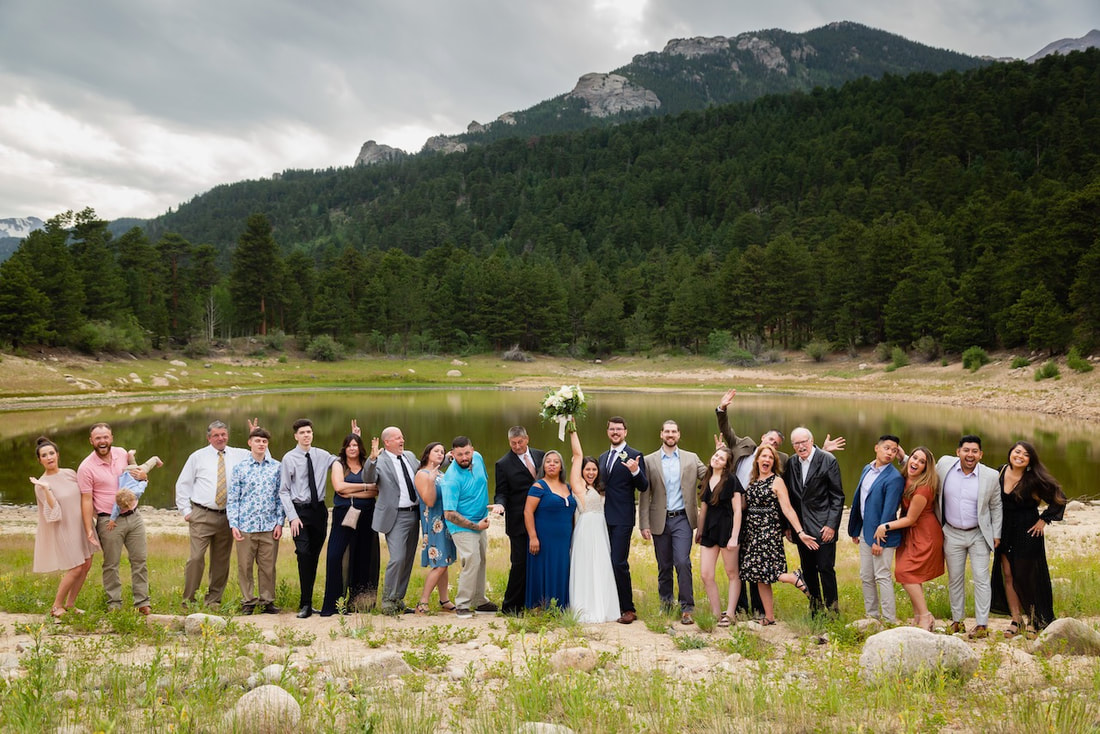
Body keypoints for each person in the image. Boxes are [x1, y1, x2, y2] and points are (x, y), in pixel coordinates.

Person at [715, 389, 844, 617]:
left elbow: (810, 476)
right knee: (746, 564)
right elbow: (726, 430)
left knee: (771, 567)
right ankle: (746, 608)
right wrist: (722, 408)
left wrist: (822, 451)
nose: (772, 445)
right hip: (737, 514)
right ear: (763, 437)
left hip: (770, 523)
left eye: (776, 444)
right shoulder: (743, 445)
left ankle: (767, 610)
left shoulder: (784, 461)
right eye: (770, 440)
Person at [175, 419, 257, 609]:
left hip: (228, 515)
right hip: (202, 514)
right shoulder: (197, 457)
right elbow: (182, 484)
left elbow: (262, 456)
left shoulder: (240, 454)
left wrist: (255, 434)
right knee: (196, 558)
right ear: (208, 437)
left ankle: (213, 600)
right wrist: (186, 511)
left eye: (223, 434)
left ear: (227, 435)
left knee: (221, 560)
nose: (220, 438)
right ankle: (189, 600)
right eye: (216, 435)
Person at [991, 441, 1067, 636]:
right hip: (1004, 530)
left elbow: (1059, 497)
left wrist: (1044, 519)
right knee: (1008, 575)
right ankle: (1016, 620)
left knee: (1025, 577)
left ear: (1030, 460)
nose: (1020, 456)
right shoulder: (999, 472)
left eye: (1025, 454)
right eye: (1017, 452)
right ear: (1010, 452)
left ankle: (1034, 620)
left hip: (1027, 531)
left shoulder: (1033, 478)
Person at [278, 418, 352, 619]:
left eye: (309, 432)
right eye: (302, 432)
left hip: (319, 511)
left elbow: (343, 459)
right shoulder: (289, 458)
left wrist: (354, 440)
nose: (306, 435)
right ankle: (305, 604)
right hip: (299, 513)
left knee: (314, 557)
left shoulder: (322, 455)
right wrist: (292, 517)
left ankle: (310, 603)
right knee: (303, 553)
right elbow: (283, 491)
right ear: (296, 436)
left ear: (312, 434)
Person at [77, 423, 151, 614]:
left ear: (111, 438)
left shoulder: (122, 454)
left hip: (134, 516)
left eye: (105, 437)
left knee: (140, 560)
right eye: (98, 438)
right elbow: (86, 500)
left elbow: (137, 476)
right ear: (91, 441)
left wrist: (143, 476)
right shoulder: (86, 468)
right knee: (111, 564)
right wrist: (88, 530)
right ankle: (114, 605)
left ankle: (142, 602)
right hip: (108, 521)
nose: (102, 441)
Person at [739, 445, 817, 625]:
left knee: (772, 572)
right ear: (757, 459)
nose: (767, 460)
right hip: (752, 532)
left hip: (768, 531)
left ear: (773, 463)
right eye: (764, 457)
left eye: (770, 458)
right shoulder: (753, 480)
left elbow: (788, 509)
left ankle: (794, 577)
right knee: (759, 575)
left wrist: (800, 532)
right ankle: (769, 616)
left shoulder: (777, 481)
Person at [933, 434, 1002, 638]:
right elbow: (922, 466)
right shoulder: (944, 465)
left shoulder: (990, 476)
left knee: (981, 578)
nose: (969, 455)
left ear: (981, 454)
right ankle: (957, 622)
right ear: (958, 452)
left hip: (979, 534)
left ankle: (982, 625)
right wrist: (903, 457)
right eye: (966, 450)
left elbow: (996, 506)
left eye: (974, 451)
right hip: (951, 532)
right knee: (955, 579)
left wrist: (996, 533)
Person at [640, 420, 707, 625]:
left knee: (682, 561)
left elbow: (710, 476)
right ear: (661, 434)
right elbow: (645, 493)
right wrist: (643, 523)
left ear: (679, 435)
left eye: (674, 432)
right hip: (659, 519)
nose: (670, 435)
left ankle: (687, 607)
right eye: (667, 431)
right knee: (664, 565)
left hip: (683, 519)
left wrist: (720, 456)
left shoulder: (691, 458)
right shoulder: (649, 460)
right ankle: (666, 605)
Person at [874, 446, 943, 631]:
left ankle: (926, 616)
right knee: (913, 575)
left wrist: (885, 526)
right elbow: (906, 463)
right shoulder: (906, 477)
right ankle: (919, 616)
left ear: (926, 468)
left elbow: (911, 519)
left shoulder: (923, 489)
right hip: (909, 533)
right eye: (914, 458)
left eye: (922, 462)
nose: (916, 463)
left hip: (924, 533)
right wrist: (901, 455)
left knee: (906, 574)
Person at [30, 437, 98, 620]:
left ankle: (70, 604)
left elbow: (86, 496)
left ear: (58, 455)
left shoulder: (70, 473)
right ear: (40, 460)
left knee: (86, 565)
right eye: (44, 455)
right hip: (64, 529)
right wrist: (46, 489)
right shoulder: (40, 484)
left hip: (82, 525)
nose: (49, 457)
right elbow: (54, 512)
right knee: (75, 568)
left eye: (51, 453)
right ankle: (56, 606)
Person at [785, 426, 845, 615]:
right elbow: (789, 497)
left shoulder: (828, 460)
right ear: (793, 445)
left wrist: (831, 525)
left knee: (826, 568)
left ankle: (833, 610)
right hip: (801, 528)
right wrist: (788, 527)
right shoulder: (791, 463)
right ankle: (815, 608)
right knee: (808, 569)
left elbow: (837, 497)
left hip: (823, 526)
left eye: (804, 442)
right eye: (797, 443)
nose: (801, 446)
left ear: (811, 441)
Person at [320, 432, 381, 616]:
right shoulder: (339, 464)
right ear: (344, 448)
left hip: (367, 515)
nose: (352, 448)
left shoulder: (367, 464)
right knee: (336, 556)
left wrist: (351, 490)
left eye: (355, 445)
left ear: (360, 447)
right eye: (349, 445)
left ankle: (360, 604)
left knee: (364, 557)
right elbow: (339, 488)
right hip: (343, 516)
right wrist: (365, 487)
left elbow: (376, 490)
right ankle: (334, 604)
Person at [848, 434, 905, 624]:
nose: (890, 453)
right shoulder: (867, 468)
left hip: (882, 535)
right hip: (865, 530)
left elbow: (889, 511)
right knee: (866, 575)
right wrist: (856, 529)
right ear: (876, 448)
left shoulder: (894, 478)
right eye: (887, 448)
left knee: (882, 575)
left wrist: (879, 541)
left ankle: (889, 619)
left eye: (894, 450)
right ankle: (871, 617)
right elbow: (859, 501)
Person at [597, 416, 648, 624]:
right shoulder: (602, 457)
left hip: (622, 518)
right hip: (601, 517)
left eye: (619, 429)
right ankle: (610, 605)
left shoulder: (635, 455)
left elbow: (643, 486)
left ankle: (628, 608)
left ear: (625, 432)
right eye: (612, 429)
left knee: (619, 562)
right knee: (604, 562)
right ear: (607, 431)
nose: (615, 432)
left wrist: (635, 471)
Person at [227, 427, 283, 615]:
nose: (261, 444)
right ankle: (248, 601)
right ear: (250, 443)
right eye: (257, 441)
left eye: (264, 442)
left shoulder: (276, 467)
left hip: (269, 525)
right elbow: (233, 499)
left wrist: (279, 522)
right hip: (246, 526)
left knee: (268, 566)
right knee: (245, 565)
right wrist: (233, 524)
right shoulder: (240, 469)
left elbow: (279, 497)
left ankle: (267, 600)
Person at [366, 425, 422, 615]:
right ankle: (387, 601)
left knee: (407, 559)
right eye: (398, 438)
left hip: (415, 513)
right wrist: (372, 459)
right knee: (397, 558)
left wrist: (446, 459)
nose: (402, 440)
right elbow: (369, 478)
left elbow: (425, 469)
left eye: (402, 437)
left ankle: (398, 599)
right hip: (395, 516)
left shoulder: (410, 456)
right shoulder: (379, 461)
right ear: (387, 442)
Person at [441, 436, 498, 618]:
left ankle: (479, 601)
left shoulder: (478, 458)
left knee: (481, 559)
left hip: (481, 521)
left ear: (472, 450)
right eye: (459, 455)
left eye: (467, 453)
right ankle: (462, 604)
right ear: (452, 455)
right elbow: (449, 514)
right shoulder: (451, 478)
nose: (464, 457)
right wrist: (475, 525)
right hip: (462, 525)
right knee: (471, 559)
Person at [567, 429, 619, 623]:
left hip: (600, 529)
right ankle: (586, 608)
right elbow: (577, 454)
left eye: (594, 469)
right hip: (586, 529)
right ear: (580, 471)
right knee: (586, 566)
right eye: (587, 469)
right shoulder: (578, 486)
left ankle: (604, 606)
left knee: (601, 566)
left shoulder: (597, 489)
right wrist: (572, 429)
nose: (590, 472)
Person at [494, 426, 545, 615]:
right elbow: (501, 492)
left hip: (543, 517)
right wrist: (500, 505)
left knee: (540, 562)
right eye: (513, 443)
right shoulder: (503, 464)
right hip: (518, 522)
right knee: (519, 563)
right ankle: (511, 607)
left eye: (520, 442)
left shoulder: (542, 456)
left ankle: (537, 602)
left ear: (527, 439)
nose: (517, 446)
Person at [695, 446, 743, 628]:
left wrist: (734, 536)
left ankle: (730, 614)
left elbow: (738, 510)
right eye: (716, 455)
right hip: (709, 530)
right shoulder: (707, 478)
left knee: (732, 573)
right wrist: (699, 530)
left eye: (721, 459)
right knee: (706, 574)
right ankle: (716, 613)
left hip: (727, 529)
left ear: (726, 465)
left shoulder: (731, 480)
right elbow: (704, 507)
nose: (716, 459)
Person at [524, 449, 576, 610]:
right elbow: (528, 512)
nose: (552, 465)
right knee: (543, 570)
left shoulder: (568, 487)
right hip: (544, 539)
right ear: (543, 466)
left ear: (561, 467)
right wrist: (533, 537)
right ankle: (540, 607)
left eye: (556, 462)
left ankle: (560, 606)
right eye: (548, 462)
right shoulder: (539, 486)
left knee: (561, 570)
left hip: (563, 540)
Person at [413, 442, 457, 614]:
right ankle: (422, 602)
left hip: (445, 521)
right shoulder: (423, 474)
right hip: (434, 523)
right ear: (427, 453)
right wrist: (431, 481)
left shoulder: (441, 473)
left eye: (442, 452)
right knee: (439, 564)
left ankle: (444, 599)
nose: (440, 453)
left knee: (444, 562)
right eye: (436, 451)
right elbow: (429, 501)